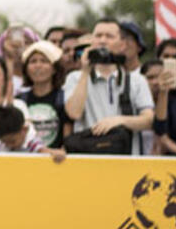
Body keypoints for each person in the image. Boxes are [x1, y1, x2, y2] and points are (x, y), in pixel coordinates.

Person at [63, 19, 155, 155]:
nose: (102, 41)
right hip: (88, 157)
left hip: (126, 159)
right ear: (92, 41)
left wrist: (119, 120)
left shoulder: (136, 80)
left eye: (109, 36)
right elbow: (74, 113)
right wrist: (85, 72)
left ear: (122, 44)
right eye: (98, 36)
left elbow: (148, 120)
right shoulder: (75, 77)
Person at [16, 40, 68, 149]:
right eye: (33, 61)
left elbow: (68, 136)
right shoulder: (19, 100)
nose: (38, 66)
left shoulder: (64, 97)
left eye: (44, 61)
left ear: (54, 68)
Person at [0, 105, 65, 161]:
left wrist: (55, 153)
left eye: (12, 141)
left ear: (24, 130)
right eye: (4, 142)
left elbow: (43, 150)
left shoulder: (32, 142)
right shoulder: (3, 141)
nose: (8, 145)